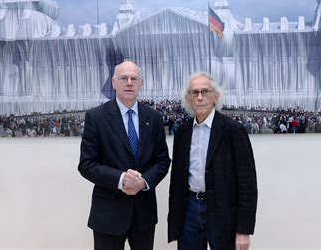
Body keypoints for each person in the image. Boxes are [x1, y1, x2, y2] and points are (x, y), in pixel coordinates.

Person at [78, 61, 171, 250]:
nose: (129, 83)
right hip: (108, 214)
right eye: (123, 78)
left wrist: (143, 182)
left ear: (141, 83)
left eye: (134, 79)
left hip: (143, 214)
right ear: (113, 83)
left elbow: (162, 161)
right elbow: (87, 164)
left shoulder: (153, 118)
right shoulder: (96, 117)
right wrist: (122, 180)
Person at [168, 72, 258, 250]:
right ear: (188, 99)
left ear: (215, 97)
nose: (200, 97)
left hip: (223, 211)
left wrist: (243, 230)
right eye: (195, 93)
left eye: (205, 92)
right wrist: (175, 222)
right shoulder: (182, 133)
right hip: (190, 209)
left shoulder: (233, 130)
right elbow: (176, 180)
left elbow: (247, 183)